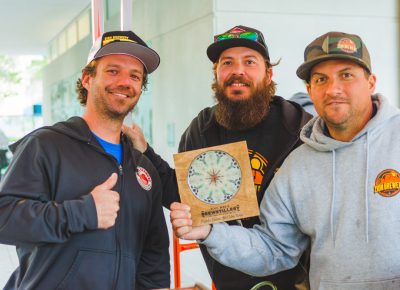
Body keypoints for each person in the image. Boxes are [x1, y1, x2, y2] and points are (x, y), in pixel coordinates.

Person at [171, 31, 400, 289]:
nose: (333, 89)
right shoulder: (298, 165)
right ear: (310, 89)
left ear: (371, 82)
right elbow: (275, 247)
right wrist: (209, 232)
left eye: (346, 75)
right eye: (321, 79)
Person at [125, 25, 312, 290]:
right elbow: (184, 195)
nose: (238, 71)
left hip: (296, 281)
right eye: (227, 63)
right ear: (217, 73)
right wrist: (146, 153)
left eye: (249, 62)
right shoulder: (203, 129)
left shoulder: (297, 129)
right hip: (229, 280)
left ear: (269, 74)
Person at [0, 30, 170, 290]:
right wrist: (81, 212)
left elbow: (153, 257)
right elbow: (4, 219)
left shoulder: (143, 168)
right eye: (113, 71)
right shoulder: (46, 145)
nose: (125, 81)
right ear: (87, 79)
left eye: (135, 76)